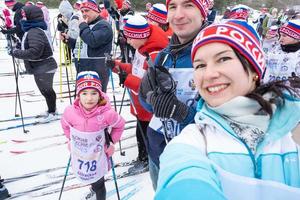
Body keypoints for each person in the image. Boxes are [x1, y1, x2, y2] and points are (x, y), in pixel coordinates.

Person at [155, 19, 300, 200]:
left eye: (223, 59)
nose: (209, 74)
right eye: (200, 65)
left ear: (254, 67)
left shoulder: (294, 127)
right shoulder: (195, 139)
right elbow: (181, 172)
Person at [139, 0, 210, 190]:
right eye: (173, 7)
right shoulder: (164, 55)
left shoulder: (214, 54)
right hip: (159, 153)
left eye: (188, 5)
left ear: (203, 13)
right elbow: (144, 100)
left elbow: (225, 119)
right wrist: (151, 99)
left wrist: (182, 113)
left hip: (196, 162)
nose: (178, 15)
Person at [107, 14, 169, 174]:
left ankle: (148, 160)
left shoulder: (154, 54)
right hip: (140, 106)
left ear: (139, 36)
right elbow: (135, 70)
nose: (127, 42)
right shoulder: (142, 48)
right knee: (140, 133)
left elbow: (150, 87)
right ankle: (143, 157)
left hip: (149, 108)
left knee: (147, 137)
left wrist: (126, 79)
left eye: (130, 38)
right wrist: (116, 66)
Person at [61, 71, 125, 200]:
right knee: (86, 176)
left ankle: (98, 193)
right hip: (81, 154)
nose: (89, 98)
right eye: (84, 93)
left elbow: (120, 125)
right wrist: (70, 139)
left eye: (94, 93)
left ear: (100, 94)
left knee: (99, 183)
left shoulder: (107, 114)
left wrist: (111, 141)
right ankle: (93, 186)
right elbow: (65, 124)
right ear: (78, 95)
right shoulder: (70, 112)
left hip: (98, 155)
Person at [12, 5, 58, 123]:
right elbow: (32, 48)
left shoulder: (34, 31)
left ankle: (52, 112)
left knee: (47, 90)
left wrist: (17, 53)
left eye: (24, 16)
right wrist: (20, 46)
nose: (22, 18)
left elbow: (35, 52)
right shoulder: (32, 30)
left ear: (31, 16)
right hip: (41, 66)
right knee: (45, 90)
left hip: (44, 66)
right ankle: (51, 110)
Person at [61, 0, 113, 93]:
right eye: (82, 11)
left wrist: (82, 25)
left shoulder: (103, 25)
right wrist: (69, 40)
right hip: (83, 66)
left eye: (87, 11)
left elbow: (92, 41)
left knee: (96, 99)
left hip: (97, 68)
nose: (84, 14)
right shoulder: (87, 26)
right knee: (82, 97)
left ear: (96, 11)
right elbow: (81, 45)